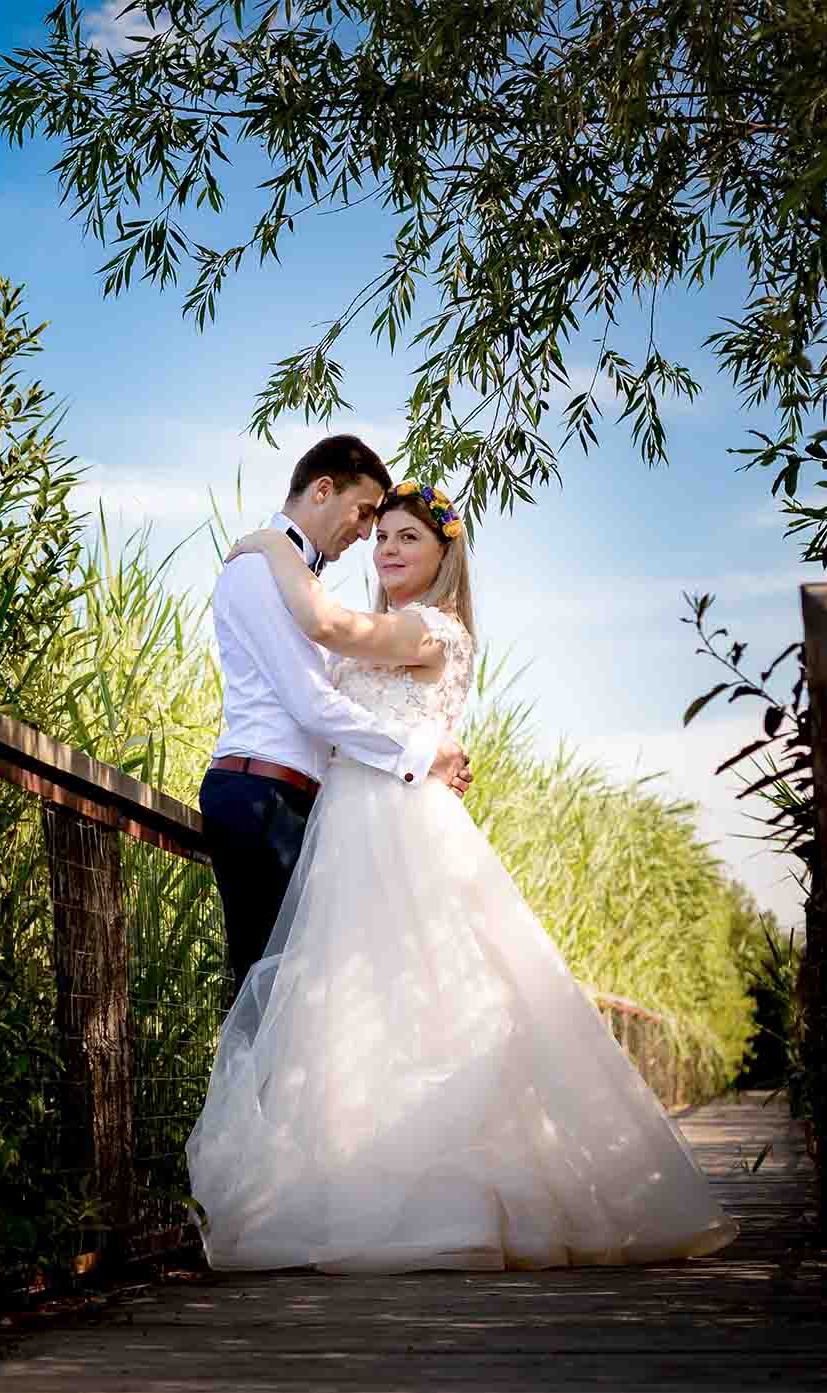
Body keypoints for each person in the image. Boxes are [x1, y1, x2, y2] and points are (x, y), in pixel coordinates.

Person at [186, 480, 739, 1274]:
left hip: (397, 822)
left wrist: (274, 544)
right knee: (354, 1002)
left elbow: (322, 623)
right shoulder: (398, 628)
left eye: (409, 537)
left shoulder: (429, 628)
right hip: (348, 820)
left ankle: (444, 1198)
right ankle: (348, 1181)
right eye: (382, 538)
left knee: (426, 991)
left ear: (446, 556)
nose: (388, 550)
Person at [200, 435, 472, 995]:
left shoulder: (306, 585)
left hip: (308, 806)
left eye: (403, 535)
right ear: (324, 490)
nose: (372, 536)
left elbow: (332, 648)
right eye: (369, 515)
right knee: (269, 993)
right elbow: (312, 704)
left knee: (313, 996)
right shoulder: (260, 570)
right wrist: (422, 755)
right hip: (262, 796)